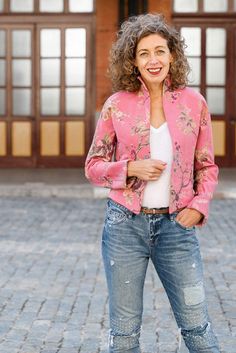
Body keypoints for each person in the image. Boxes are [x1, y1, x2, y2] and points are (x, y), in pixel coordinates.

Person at [85, 13, 220, 353]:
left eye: (160, 51)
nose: (153, 60)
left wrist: (199, 205)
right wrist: (131, 167)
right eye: (143, 53)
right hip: (124, 227)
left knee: (197, 327)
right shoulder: (116, 106)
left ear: (172, 55)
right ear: (132, 60)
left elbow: (206, 165)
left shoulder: (194, 103)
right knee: (125, 333)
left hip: (177, 228)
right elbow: (93, 166)